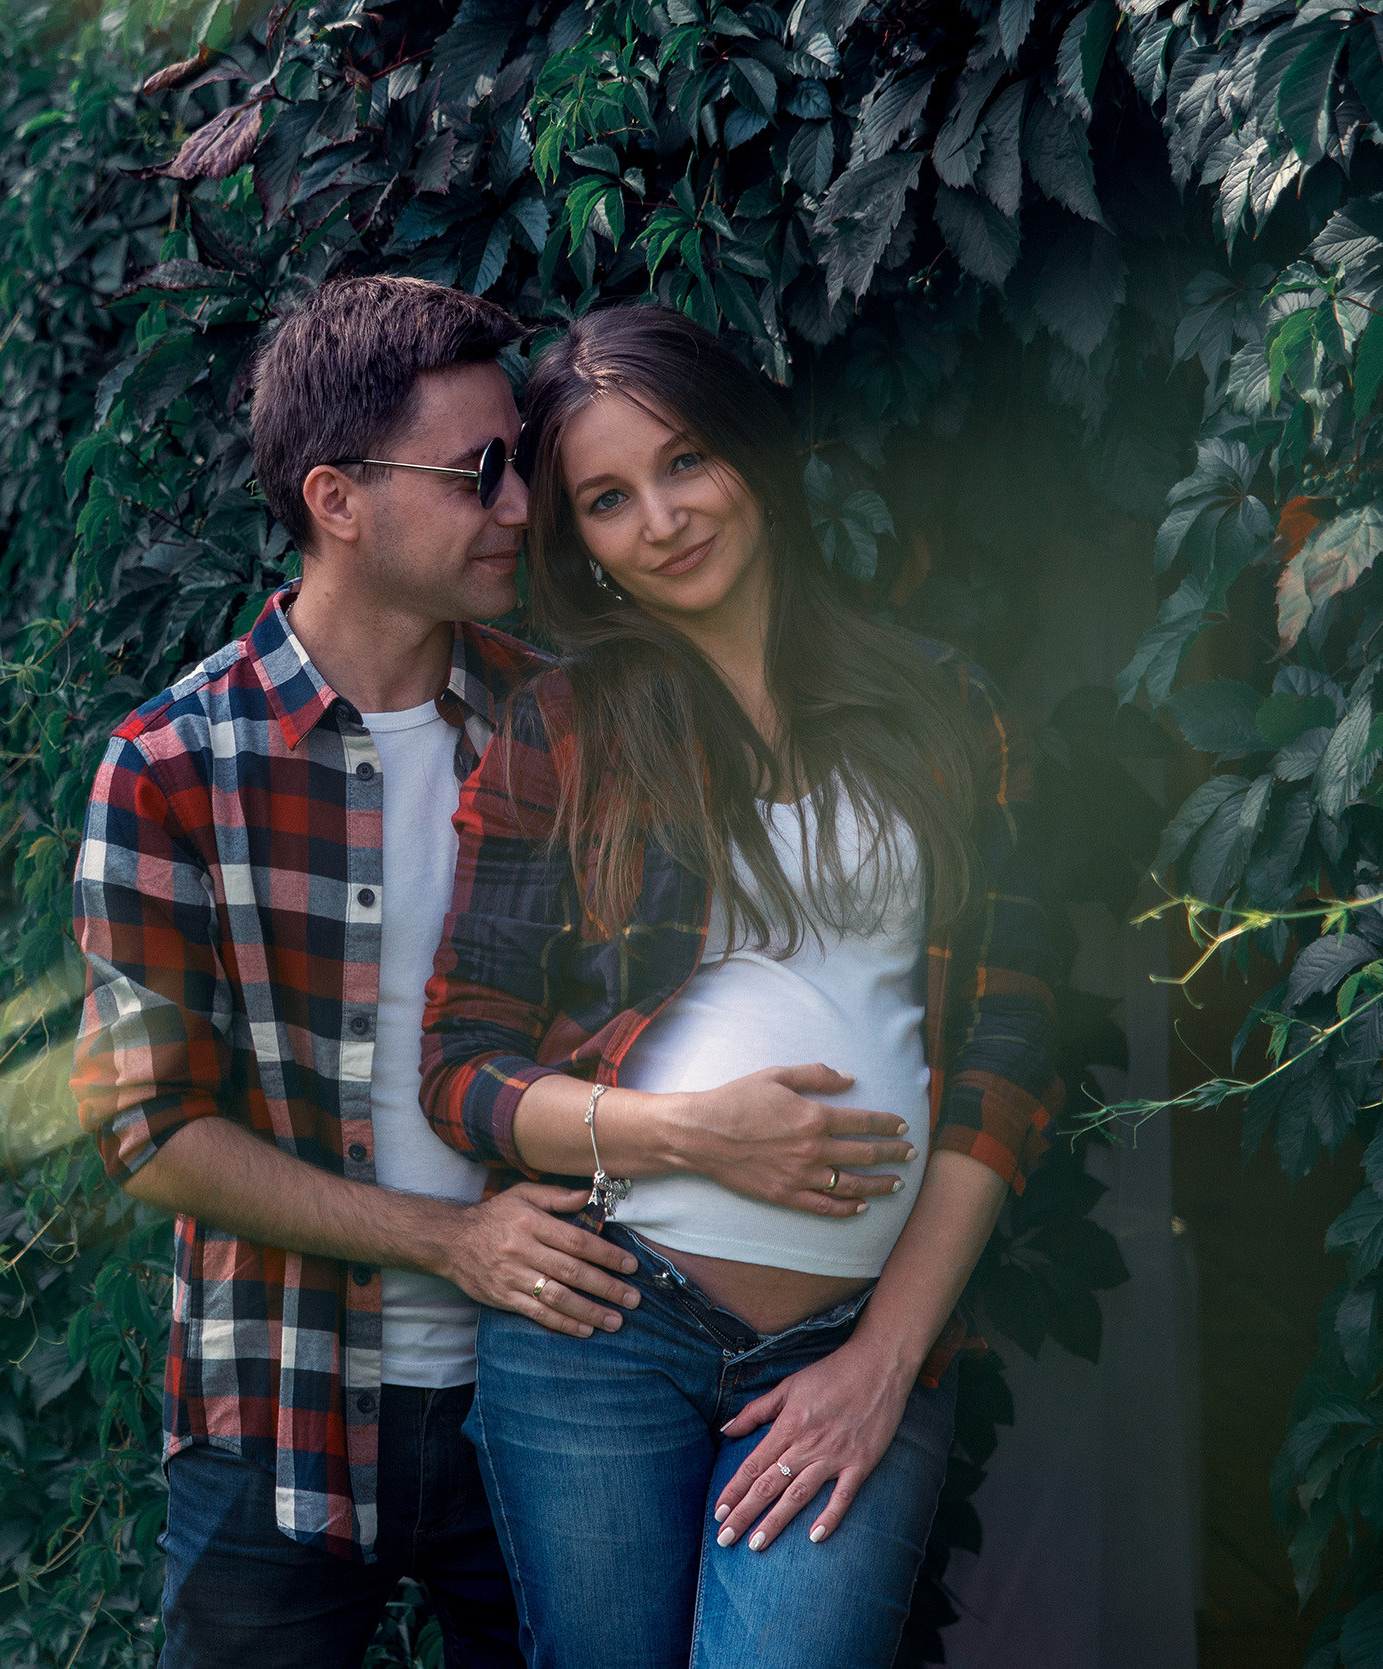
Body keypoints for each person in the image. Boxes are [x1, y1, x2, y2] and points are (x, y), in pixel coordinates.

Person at [71, 276, 926, 1669]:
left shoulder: (583, 720)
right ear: (337, 498)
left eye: (521, 470)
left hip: (568, 1374)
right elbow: (149, 1129)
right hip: (288, 1404)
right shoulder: (174, 767)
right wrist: (450, 1240)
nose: (522, 508)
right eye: (480, 473)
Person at [420, 304, 1059, 1668]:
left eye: (687, 461)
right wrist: (692, 1136)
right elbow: (461, 1063)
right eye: (607, 497)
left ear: (754, 454)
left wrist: (885, 1356)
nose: (660, 517)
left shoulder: (946, 706)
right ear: (576, 538)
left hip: (853, 1336)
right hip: (602, 1327)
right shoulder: (564, 727)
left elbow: (1008, 1051)